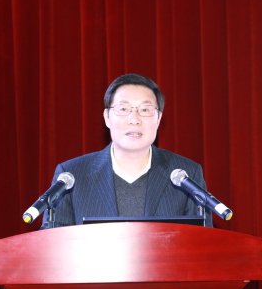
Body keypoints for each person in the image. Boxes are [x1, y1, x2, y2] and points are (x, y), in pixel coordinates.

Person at [45, 73, 212, 228]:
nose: (134, 119)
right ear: (107, 117)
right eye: (124, 109)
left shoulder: (187, 174)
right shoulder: (72, 175)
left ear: (158, 118)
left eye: (145, 110)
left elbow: (205, 244)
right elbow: (51, 243)